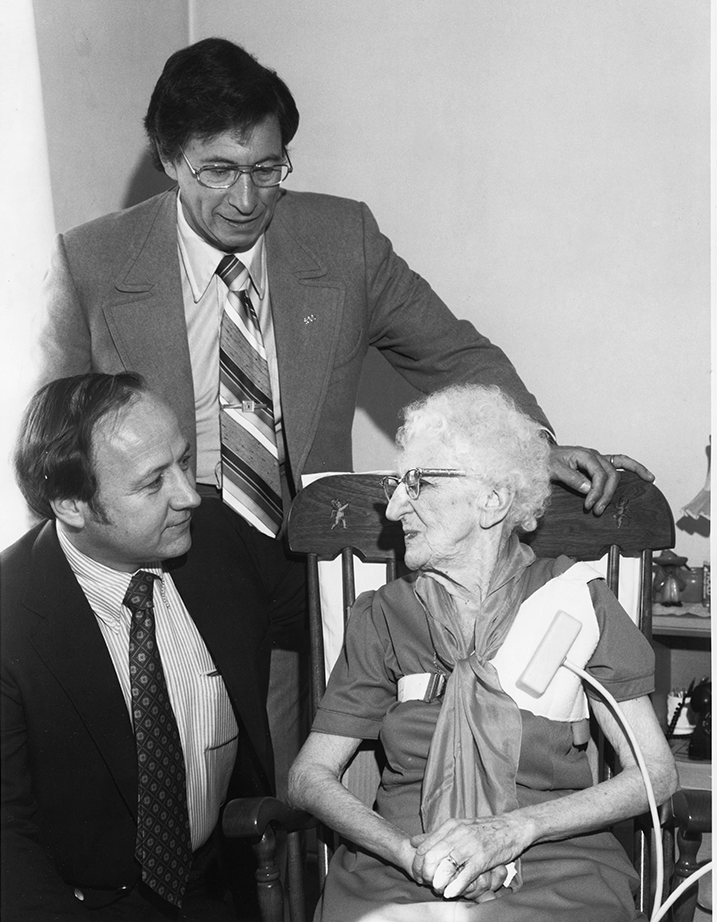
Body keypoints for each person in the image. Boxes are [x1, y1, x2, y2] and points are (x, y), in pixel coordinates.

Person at [36, 37, 653, 796]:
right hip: (186, 541)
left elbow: (454, 352)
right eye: (218, 171)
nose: (244, 199)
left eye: (267, 170)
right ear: (167, 159)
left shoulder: (342, 238)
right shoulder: (94, 260)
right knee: (229, 736)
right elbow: (57, 432)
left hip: (312, 536)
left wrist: (531, 447)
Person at [288, 384, 677, 922]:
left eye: (417, 483)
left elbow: (655, 774)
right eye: (397, 485)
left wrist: (513, 832)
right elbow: (309, 776)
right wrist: (409, 854)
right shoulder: (383, 614)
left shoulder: (576, 602)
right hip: (402, 870)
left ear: (492, 500)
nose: (396, 505)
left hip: (554, 862)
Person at [0, 373, 274, 921]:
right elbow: (4, 839)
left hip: (222, 890)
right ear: (72, 504)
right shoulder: (8, 616)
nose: (190, 495)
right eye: (153, 484)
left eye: (183, 460)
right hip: (82, 907)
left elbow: (341, 603)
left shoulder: (216, 538)